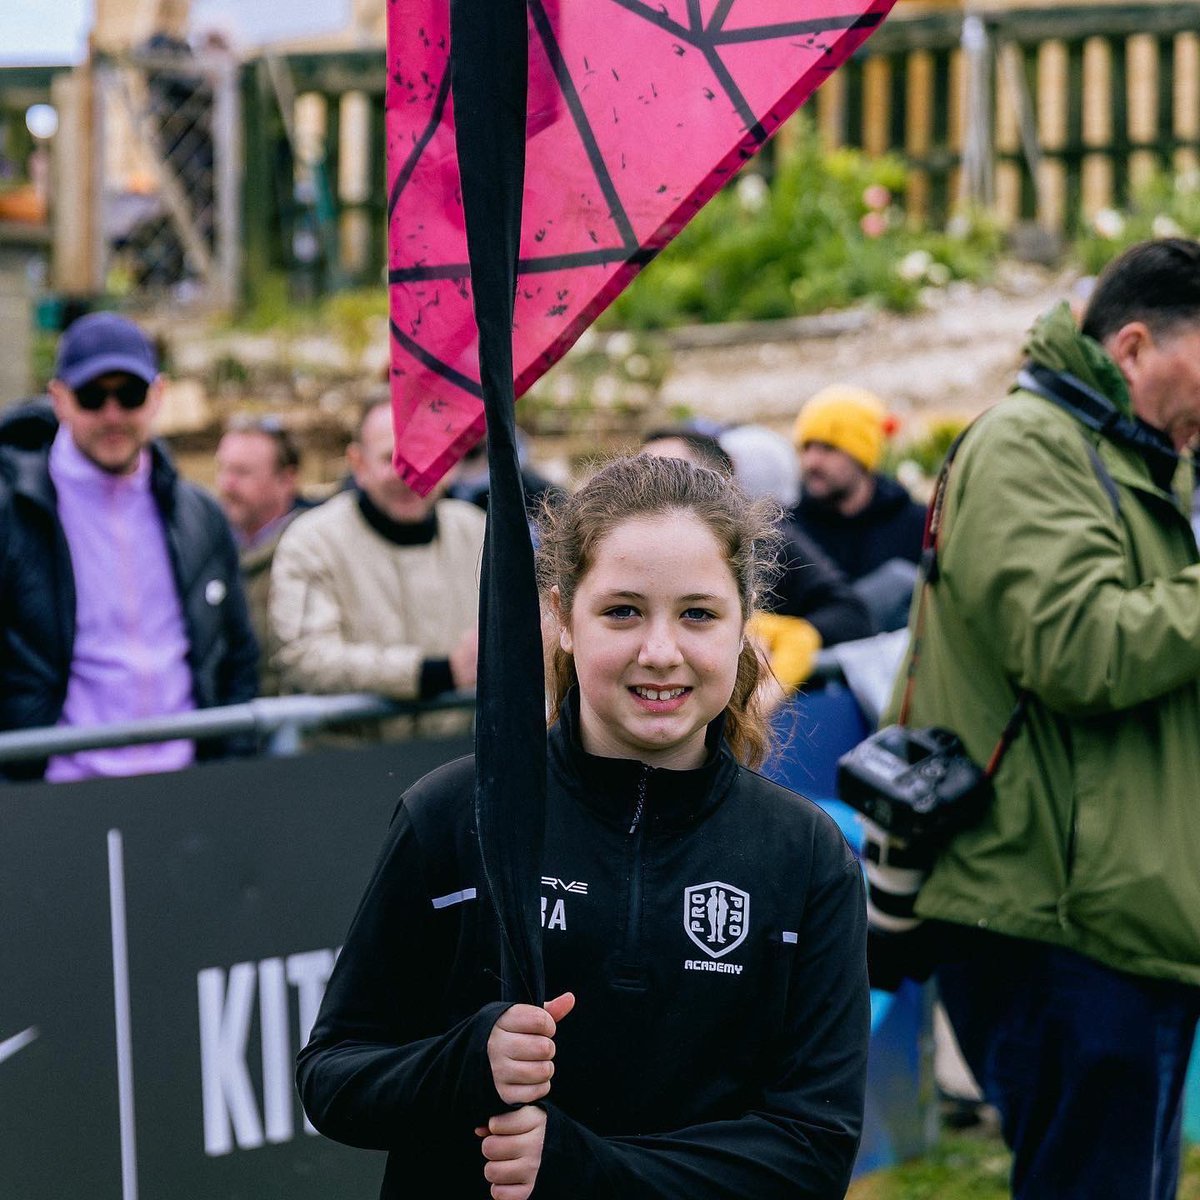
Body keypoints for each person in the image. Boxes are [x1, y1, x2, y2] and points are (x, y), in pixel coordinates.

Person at [297, 453, 869, 1199]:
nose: (660, 652)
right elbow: (334, 1077)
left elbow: (812, 1150)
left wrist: (578, 1167)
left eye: (698, 613)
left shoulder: (804, 855)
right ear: (564, 618)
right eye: (622, 611)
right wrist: (467, 1063)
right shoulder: (453, 816)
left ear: (742, 624)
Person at [885, 238, 1200, 1200]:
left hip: (1119, 913)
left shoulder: (1129, 461)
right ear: (1137, 347)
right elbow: (1079, 647)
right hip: (1057, 918)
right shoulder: (1029, 445)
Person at [0, 311, 258, 782]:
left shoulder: (200, 514)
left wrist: (228, 765)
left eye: (130, 394)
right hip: (55, 795)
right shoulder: (13, 513)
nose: (113, 414)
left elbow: (238, 653)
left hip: (187, 788)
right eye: (93, 396)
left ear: (158, 395)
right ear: (59, 399)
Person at [268, 398, 485, 737]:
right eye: (392, 458)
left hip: (455, 762)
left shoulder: (477, 532)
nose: (409, 474)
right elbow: (304, 656)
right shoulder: (312, 540)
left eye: (423, 454)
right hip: (349, 766)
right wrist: (433, 674)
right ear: (358, 463)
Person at [790, 386, 926, 632]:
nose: (812, 462)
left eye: (828, 448)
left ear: (862, 455)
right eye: (806, 447)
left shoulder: (917, 525)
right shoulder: (788, 531)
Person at [215, 415, 316, 695]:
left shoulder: (315, 551)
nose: (226, 484)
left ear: (287, 479)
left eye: (242, 473)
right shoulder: (208, 544)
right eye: (223, 469)